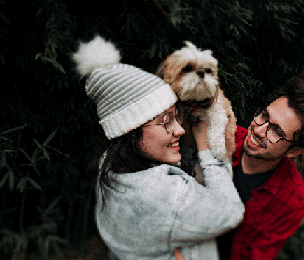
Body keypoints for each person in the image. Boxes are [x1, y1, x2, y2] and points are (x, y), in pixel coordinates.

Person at [72, 35, 244, 260]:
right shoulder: (169, 197)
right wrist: (207, 149)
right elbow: (230, 211)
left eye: (177, 117)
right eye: (166, 121)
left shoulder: (111, 165)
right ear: (130, 131)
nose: (180, 130)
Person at [216, 76, 304, 260]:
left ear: (294, 151)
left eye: (276, 131)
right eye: (264, 115)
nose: (258, 130)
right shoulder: (222, 135)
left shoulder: (291, 199)